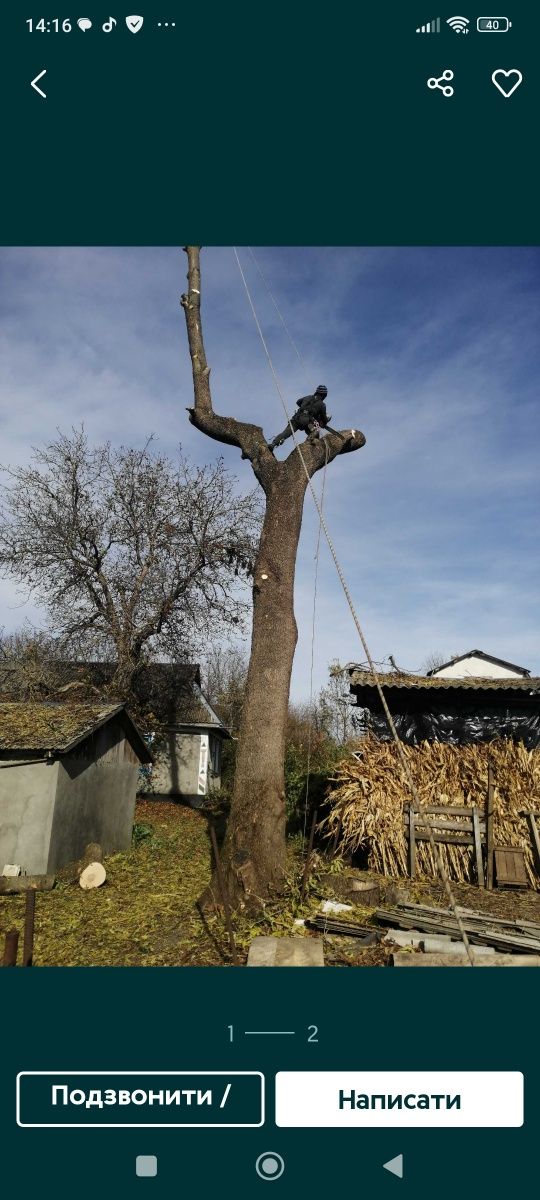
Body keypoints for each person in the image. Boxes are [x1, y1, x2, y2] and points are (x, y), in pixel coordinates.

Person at [267, 385, 331, 450]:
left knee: (286, 432)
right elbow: (324, 418)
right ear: (324, 395)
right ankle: (313, 446)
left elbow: (298, 402)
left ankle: (273, 444)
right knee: (315, 432)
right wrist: (323, 423)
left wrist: (304, 408)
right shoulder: (322, 405)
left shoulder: (308, 397)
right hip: (307, 422)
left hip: (296, 418)